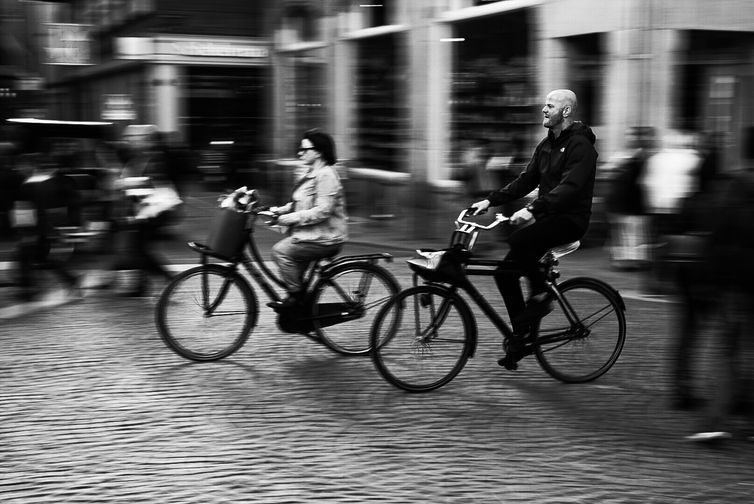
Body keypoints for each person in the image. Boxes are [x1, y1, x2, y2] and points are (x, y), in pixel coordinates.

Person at [470, 89, 598, 370]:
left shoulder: (580, 146)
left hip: (569, 219)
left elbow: (570, 188)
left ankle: (540, 298)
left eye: (550, 105)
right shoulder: (546, 145)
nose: (543, 109)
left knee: (521, 239)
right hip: (547, 217)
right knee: (504, 274)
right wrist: (490, 200)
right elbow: (525, 180)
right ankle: (522, 336)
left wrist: (532, 209)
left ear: (565, 111)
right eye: (544, 104)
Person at [266, 130, 348, 308]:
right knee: (293, 273)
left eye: (304, 149)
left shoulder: (326, 175)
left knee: (280, 252)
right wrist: (276, 211)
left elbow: (322, 211)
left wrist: (286, 219)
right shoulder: (312, 174)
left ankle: (297, 300)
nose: (299, 153)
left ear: (318, 152)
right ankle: (300, 305)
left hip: (326, 238)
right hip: (312, 236)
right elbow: (299, 202)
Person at [605, 126, 655, 270]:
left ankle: (631, 259)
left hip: (632, 203)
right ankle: (627, 259)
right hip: (626, 202)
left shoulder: (635, 159)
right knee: (628, 233)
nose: (631, 139)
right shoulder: (627, 158)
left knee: (632, 233)